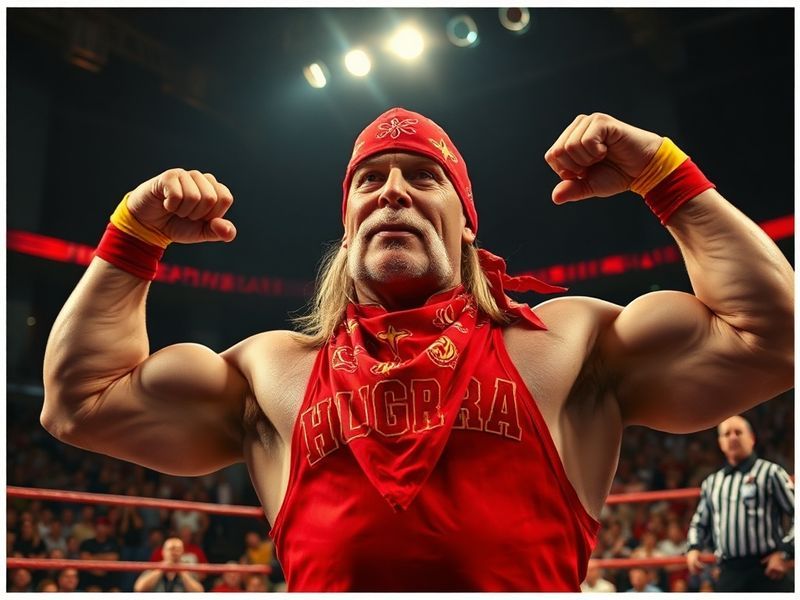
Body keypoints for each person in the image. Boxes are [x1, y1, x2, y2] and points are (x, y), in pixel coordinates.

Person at [41, 107, 794, 592]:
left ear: (467, 222)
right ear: (349, 224)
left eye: (423, 177)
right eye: (370, 179)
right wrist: (132, 239)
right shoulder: (271, 369)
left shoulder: (567, 342)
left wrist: (664, 175)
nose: (392, 190)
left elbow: (771, 338)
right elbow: (80, 404)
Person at [686, 414, 795, 592]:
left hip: (766, 568)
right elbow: (699, 522)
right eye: (727, 434)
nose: (733, 437)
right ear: (720, 443)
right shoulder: (713, 482)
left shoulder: (770, 472)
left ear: (752, 438)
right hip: (729, 571)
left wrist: (785, 553)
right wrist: (693, 548)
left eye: (738, 432)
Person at [133, 537, 205, 592]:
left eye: (178, 549)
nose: (174, 552)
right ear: (163, 552)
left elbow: (199, 591)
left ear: (182, 552)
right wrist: (161, 569)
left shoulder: (188, 570)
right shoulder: (154, 567)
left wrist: (181, 572)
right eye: (171, 549)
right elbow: (139, 588)